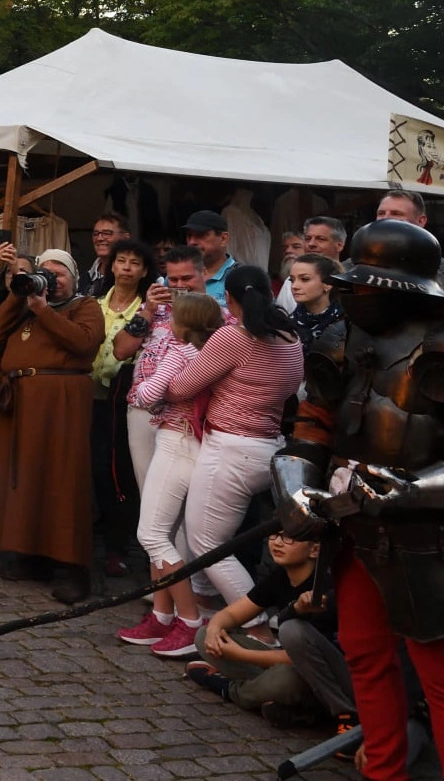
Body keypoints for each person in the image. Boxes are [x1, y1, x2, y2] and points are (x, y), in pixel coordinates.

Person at [273, 219, 444, 781]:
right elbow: (311, 430)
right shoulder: (341, 339)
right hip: (355, 527)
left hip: (430, 534)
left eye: (370, 286)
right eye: (355, 284)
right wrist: (297, 487)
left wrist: (415, 488)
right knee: (365, 652)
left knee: (437, 670)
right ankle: (384, 773)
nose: (357, 295)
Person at [168, 264, 303, 616]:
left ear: (228, 298)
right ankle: (205, 605)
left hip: (229, 450)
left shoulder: (233, 338)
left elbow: (180, 388)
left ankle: (254, 624)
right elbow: (291, 388)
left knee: (207, 544)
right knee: (217, 539)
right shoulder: (291, 336)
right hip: (267, 446)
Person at [0, 247, 104, 603]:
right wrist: (19, 294)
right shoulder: (26, 304)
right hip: (21, 399)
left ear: (73, 277)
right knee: (25, 477)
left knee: (63, 479)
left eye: (59, 274)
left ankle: (73, 569)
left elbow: (84, 343)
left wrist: (43, 311)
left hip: (61, 400)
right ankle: (31, 555)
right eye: (46, 273)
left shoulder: (85, 306)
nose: (53, 280)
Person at [119, 292, 223, 656]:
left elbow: (145, 395)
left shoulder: (180, 352)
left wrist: (140, 393)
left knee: (151, 534)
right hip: (197, 441)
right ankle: (161, 615)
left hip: (176, 440)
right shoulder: (216, 351)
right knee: (164, 530)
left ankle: (189, 619)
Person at [184, 534, 348, 732]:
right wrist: (213, 629)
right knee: (203, 635)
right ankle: (278, 700)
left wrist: (240, 654)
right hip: (285, 664)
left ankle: (228, 688)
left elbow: (302, 658)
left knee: (285, 680)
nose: (277, 542)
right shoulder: (281, 575)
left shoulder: (323, 590)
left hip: (320, 677)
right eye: (275, 535)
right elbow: (232, 614)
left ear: (314, 550)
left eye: (289, 539)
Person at [90, 237, 155, 576]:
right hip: (89, 397)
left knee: (119, 473)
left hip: (124, 400)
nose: (127, 268)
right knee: (93, 469)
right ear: (111, 265)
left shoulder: (149, 309)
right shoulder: (94, 304)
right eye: (121, 261)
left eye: (134, 263)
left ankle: (119, 547)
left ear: (144, 271)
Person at [184, 209, 238, 305]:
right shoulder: (177, 275)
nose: (192, 242)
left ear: (223, 239)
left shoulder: (241, 277)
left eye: (200, 235)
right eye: (189, 236)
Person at [287, 254, 343, 343]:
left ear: (328, 284)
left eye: (305, 279)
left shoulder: (345, 323)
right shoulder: (286, 324)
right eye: (292, 280)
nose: (294, 286)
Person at [80, 214, 131, 296]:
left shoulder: (132, 275)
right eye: (96, 234)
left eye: (107, 233)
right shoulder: (85, 278)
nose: (99, 238)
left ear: (125, 237)